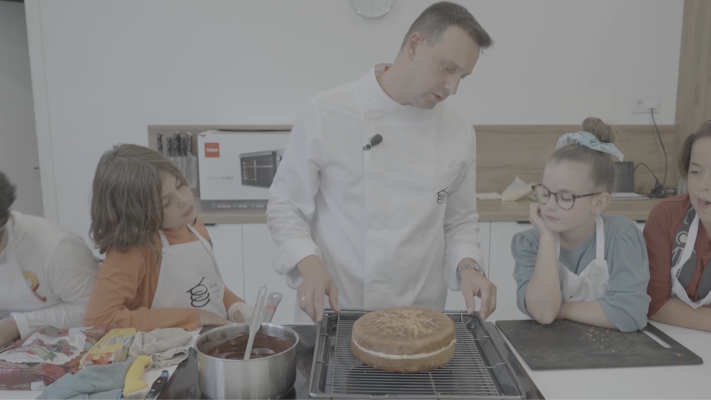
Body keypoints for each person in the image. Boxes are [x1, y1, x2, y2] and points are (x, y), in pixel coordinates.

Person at [267, 2, 496, 324]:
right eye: (447, 68)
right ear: (415, 45)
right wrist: (309, 264)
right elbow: (286, 205)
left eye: (463, 76)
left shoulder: (458, 129)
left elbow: (459, 221)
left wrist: (469, 267)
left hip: (421, 319)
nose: (453, 88)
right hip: (337, 311)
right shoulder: (325, 112)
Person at [83, 144, 252, 331]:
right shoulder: (131, 251)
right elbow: (99, 319)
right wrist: (192, 317)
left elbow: (209, 286)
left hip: (207, 341)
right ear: (137, 213)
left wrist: (236, 307)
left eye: (180, 185)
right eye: (165, 203)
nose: (183, 200)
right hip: (165, 355)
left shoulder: (193, 225)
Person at [512, 118, 650, 332]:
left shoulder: (621, 237)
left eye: (565, 197)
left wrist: (562, 309)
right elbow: (543, 313)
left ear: (599, 203)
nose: (549, 205)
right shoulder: (531, 242)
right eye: (545, 192)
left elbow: (630, 314)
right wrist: (548, 238)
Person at [0, 171, 98, 346]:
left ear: (5, 219)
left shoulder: (57, 248)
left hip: (67, 346)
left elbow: (91, 310)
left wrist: (17, 325)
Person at [645, 120, 711, 331]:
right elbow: (654, 304)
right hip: (669, 336)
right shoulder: (666, 215)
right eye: (695, 172)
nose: (703, 186)